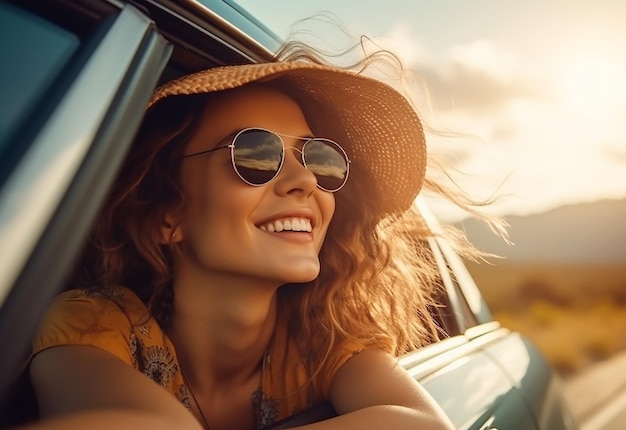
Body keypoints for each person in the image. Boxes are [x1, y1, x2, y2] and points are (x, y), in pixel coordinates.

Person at [19, 40, 469, 430]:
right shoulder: (92, 324)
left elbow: (426, 424)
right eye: (255, 154)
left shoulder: (324, 338)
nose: (306, 180)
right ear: (167, 213)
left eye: (319, 158)